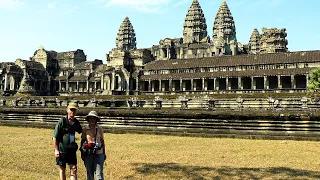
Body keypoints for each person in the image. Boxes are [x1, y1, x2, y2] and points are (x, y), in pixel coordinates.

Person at [53, 103, 82, 180]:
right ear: (67, 110)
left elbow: (82, 131)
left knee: (74, 169)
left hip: (72, 149)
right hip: (62, 150)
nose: (72, 112)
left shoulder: (76, 122)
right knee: (62, 169)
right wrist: (56, 150)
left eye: (74, 110)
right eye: (71, 110)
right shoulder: (62, 121)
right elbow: (55, 137)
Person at [80, 111, 106, 180]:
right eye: (90, 118)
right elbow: (82, 141)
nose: (92, 120)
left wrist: (104, 153)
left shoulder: (100, 129)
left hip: (99, 153)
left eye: (93, 118)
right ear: (88, 119)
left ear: (96, 120)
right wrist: (82, 153)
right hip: (88, 153)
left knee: (99, 174)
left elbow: (102, 141)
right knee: (90, 173)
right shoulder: (85, 129)